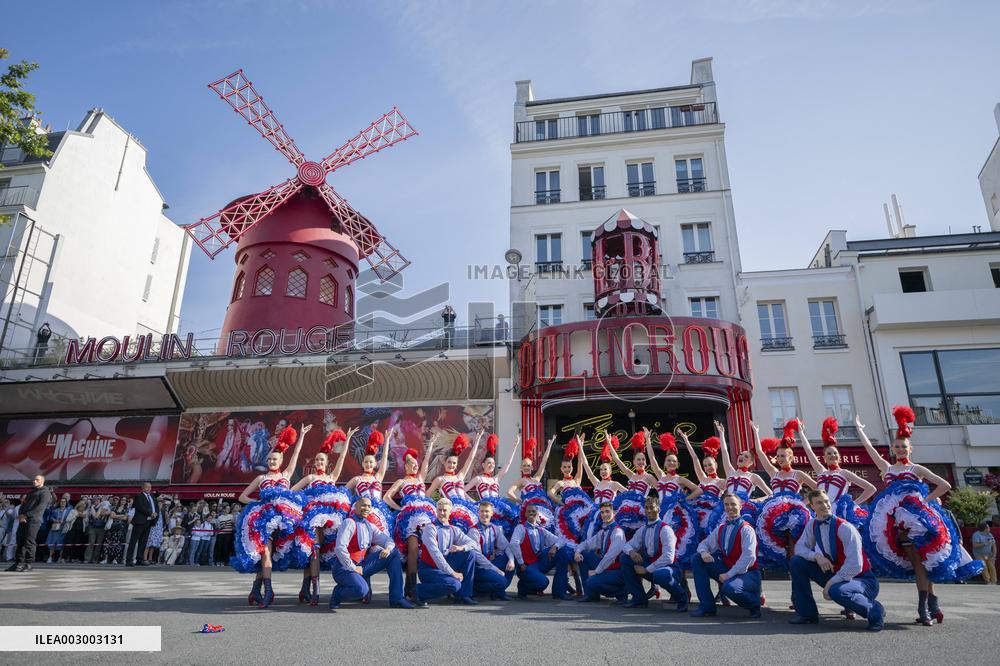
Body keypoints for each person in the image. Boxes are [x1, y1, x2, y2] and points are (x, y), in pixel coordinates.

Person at [859, 407, 983, 625]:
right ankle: (931, 606)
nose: (900, 449)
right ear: (892, 448)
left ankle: (926, 608)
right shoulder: (887, 469)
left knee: (922, 564)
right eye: (896, 447)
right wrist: (860, 430)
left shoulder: (917, 469)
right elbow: (869, 450)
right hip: (897, 524)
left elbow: (944, 485)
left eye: (903, 447)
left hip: (919, 522)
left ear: (910, 448)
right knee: (919, 564)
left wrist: (924, 501)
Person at [234, 423, 310, 608]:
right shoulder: (261, 479)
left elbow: (296, 455)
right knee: (265, 553)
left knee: (288, 551)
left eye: (275, 460)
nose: (272, 462)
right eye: (269, 460)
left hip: (285, 522)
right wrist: (259, 504)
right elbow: (242, 497)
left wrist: (301, 436)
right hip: (265, 521)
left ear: (281, 460)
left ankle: (255, 590)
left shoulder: (286, 475)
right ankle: (268, 591)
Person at [789, 489, 885, 631]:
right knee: (797, 562)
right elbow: (800, 548)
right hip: (837, 573)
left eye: (826, 501)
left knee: (836, 591)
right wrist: (816, 556)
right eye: (819, 503)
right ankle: (807, 614)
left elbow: (855, 565)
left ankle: (875, 611)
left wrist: (830, 583)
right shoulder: (813, 524)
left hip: (862, 580)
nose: (825, 505)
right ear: (812, 506)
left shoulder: (845, 528)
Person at [292, 427, 355, 605]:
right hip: (312, 520)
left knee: (324, 553)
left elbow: (342, 459)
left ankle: (308, 588)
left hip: (331, 522)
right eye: (317, 460)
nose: (319, 462)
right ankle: (313, 591)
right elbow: (292, 492)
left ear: (327, 463)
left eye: (322, 460)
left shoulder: (331, 477)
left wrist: (347, 439)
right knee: (313, 551)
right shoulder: (310, 477)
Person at [328, 497, 416, 610]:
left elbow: (387, 540)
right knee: (361, 590)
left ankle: (397, 598)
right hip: (344, 568)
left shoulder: (369, 526)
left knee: (393, 554)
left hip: (362, 566)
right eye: (363, 505)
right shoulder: (349, 523)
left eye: (369, 506)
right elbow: (340, 548)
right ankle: (337, 594)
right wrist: (353, 567)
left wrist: (387, 549)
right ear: (356, 507)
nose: (366, 508)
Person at [751, 421, 817, 571]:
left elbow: (818, 488)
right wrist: (756, 432)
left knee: (794, 539)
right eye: (778, 456)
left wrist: (804, 503)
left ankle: (796, 569)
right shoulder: (774, 473)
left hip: (794, 512)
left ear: (791, 457)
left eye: (783, 456)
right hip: (773, 511)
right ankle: (785, 567)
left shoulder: (798, 474)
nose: (779, 458)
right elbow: (760, 454)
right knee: (775, 540)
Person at [384, 431, 437, 601]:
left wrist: (431, 446)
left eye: (416, 464)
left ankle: (414, 586)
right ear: (405, 466)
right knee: (413, 549)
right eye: (412, 464)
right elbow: (386, 497)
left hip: (427, 517)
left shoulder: (421, 479)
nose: (415, 467)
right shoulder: (402, 482)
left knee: (428, 549)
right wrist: (400, 509)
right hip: (410, 519)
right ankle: (412, 588)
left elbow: (427, 462)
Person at [690, 492, 763, 618]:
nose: (730, 507)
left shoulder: (747, 529)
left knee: (730, 589)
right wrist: (704, 553)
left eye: (733, 504)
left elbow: (749, 557)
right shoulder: (721, 528)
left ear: (740, 506)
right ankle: (707, 607)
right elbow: (704, 544)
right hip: (728, 569)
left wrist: (728, 575)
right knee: (697, 558)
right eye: (727, 504)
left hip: (748, 573)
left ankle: (754, 604)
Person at [798, 417, 876, 526]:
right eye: (829, 454)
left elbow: (871, 488)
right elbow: (809, 451)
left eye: (835, 453)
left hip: (840, 512)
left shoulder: (844, 473)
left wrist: (853, 504)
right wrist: (801, 433)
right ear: (824, 458)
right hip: (821, 512)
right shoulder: (821, 471)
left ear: (839, 457)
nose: (832, 455)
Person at [621, 494, 690, 611]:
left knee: (660, 575)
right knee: (625, 558)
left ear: (658, 509)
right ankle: (639, 598)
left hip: (670, 568)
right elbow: (627, 545)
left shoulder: (666, 529)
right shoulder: (643, 529)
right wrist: (632, 552)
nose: (649, 510)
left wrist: (647, 569)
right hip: (651, 564)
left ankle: (682, 598)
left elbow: (668, 557)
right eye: (646, 507)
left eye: (652, 507)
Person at [645, 431, 701, 569]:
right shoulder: (661, 476)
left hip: (673, 514)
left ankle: (679, 577)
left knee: (673, 544)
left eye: (674, 461)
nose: (671, 463)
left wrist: (683, 499)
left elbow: (699, 489)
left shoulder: (679, 479)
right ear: (664, 463)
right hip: (660, 511)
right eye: (669, 460)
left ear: (677, 465)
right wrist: (647, 440)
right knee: (658, 542)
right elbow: (652, 459)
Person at [414, 498, 479, 606]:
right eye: (439, 510)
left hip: (444, 565)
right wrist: (452, 573)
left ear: (450, 512)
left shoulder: (454, 529)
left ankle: (464, 595)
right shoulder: (430, 529)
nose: (441, 513)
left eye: (445, 510)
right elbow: (436, 555)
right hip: (429, 569)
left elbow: (474, 544)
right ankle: (416, 591)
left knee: (470, 554)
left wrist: (461, 548)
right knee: (454, 585)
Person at [509, 504, 571, 600]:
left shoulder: (541, 530)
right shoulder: (520, 528)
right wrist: (521, 562)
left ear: (537, 514)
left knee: (562, 552)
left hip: (539, 563)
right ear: (525, 514)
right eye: (528, 511)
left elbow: (562, 540)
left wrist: (555, 547)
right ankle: (523, 587)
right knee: (542, 583)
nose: (531, 513)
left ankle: (559, 592)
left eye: (533, 511)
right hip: (526, 566)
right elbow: (513, 544)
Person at [426, 431, 484, 532]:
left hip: (466, 508)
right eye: (449, 462)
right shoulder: (440, 479)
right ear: (444, 462)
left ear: (456, 465)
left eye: (454, 463)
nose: (451, 465)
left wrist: (477, 440)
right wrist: (439, 507)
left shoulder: (460, 476)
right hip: (452, 510)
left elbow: (470, 459)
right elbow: (427, 495)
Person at [573, 501, 628, 604]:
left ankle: (621, 592)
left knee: (591, 581)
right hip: (606, 567)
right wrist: (577, 552)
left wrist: (596, 571)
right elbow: (587, 544)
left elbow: (610, 557)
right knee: (584, 554)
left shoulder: (617, 532)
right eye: (602, 512)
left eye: (607, 512)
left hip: (617, 571)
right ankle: (590, 594)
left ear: (614, 513)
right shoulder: (603, 531)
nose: (604, 515)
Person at [464, 433, 519, 536]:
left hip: (498, 508)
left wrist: (515, 446)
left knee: (509, 522)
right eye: (489, 463)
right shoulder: (478, 478)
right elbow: (463, 490)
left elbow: (507, 465)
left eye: (493, 464)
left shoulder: (496, 479)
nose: (491, 465)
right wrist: (473, 501)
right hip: (484, 507)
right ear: (483, 464)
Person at [605, 430, 658, 532]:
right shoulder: (631, 475)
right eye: (638, 460)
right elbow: (616, 459)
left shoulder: (649, 477)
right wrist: (608, 442)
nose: (641, 462)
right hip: (626, 509)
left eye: (643, 460)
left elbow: (661, 490)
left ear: (646, 462)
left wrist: (648, 440)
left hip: (641, 510)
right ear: (633, 462)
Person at [680, 430, 726, 536]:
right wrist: (686, 440)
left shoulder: (721, 482)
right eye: (705, 466)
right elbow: (695, 459)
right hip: (696, 510)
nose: (707, 468)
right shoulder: (702, 478)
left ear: (716, 465)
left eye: (710, 465)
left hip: (712, 513)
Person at [466, 501, 515, 600]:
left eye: (487, 511)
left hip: (490, 562)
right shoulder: (473, 531)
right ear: (478, 513)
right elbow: (478, 557)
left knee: (510, 561)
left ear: (492, 513)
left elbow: (506, 546)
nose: (484, 514)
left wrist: (511, 560)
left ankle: (499, 593)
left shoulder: (495, 528)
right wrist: (496, 570)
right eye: (482, 511)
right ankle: (475, 590)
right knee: (502, 581)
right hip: (479, 567)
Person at [507, 435, 557, 530]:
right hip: (531, 508)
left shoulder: (536, 478)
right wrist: (520, 501)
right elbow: (509, 492)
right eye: (524, 465)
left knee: (548, 526)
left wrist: (550, 444)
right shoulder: (521, 481)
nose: (526, 467)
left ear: (532, 467)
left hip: (544, 506)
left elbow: (544, 461)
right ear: (521, 468)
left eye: (528, 465)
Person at [6, 475, 51, 572]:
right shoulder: (31, 492)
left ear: (42, 481)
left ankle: (28, 564)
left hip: (34, 520)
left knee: (29, 541)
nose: (34, 481)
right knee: (20, 540)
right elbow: (23, 504)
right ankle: (18, 563)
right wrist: (21, 515)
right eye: (34, 479)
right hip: (23, 519)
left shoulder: (45, 493)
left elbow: (40, 507)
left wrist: (26, 515)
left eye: (37, 480)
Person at [126, 483, 158, 567]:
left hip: (149, 522)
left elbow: (156, 507)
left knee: (143, 542)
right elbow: (140, 507)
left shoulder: (152, 497)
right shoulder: (139, 496)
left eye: (150, 487)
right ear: (143, 488)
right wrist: (151, 513)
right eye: (147, 487)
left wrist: (155, 514)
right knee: (133, 541)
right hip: (139, 521)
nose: (149, 489)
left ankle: (139, 559)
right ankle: (129, 560)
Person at [44, 497, 72, 563]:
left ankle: (60, 557)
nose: (62, 503)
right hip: (55, 528)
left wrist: (64, 521)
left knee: (61, 543)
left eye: (64, 502)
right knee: (52, 543)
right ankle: (50, 557)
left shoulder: (68, 510)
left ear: (66, 503)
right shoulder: (55, 510)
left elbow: (71, 517)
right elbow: (50, 517)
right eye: (61, 502)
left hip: (63, 529)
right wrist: (55, 520)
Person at [85, 495, 112, 564]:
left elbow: (107, 513)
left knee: (98, 544)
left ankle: (95, 559)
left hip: (101, 528)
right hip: (93, 527)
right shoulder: (92, 507)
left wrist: (100, 511)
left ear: (100, 502)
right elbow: (94, 517)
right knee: (91, 543)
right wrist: (98, 512)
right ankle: (87, 559)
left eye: (97, 500)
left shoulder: (105, 507)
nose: (96, 501)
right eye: (95, 500)